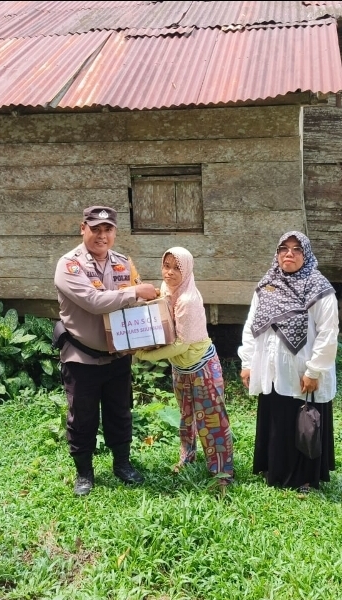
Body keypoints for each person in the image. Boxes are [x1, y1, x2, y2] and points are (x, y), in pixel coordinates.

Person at [54, 206, 158, 496]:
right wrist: (134, 293)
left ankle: (122, 464)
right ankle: (84, 473)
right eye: (95, 229)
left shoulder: (123, 263)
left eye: (108, 229)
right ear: (83, 229)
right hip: (81, 358)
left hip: (118, 356)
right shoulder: (69, 265)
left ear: (114, 232)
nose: (102, 235)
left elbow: (140, 301)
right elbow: (94, 301)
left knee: (120, 413)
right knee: (82, 418)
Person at [238, 231, 338, 492]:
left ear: (306, 254)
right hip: (271, 369)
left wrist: (314, 371)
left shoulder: (319, 288)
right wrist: (247, 362)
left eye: (296, 249)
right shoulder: (267, 285)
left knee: (302, 420)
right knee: (276, 417)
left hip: (302, 370)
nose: (289, 254)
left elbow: (328, 333)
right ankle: (275, 469)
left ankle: (304, 477)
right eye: (284, 248)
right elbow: (251, 325)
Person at [135, 247, 234, 486]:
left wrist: (145, 355)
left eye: (176, 268)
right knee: (186, 417)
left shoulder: (188, 300)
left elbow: (181, 344)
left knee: (211, 419)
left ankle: (222, 472)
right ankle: (187, 457)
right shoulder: (167, 288)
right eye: (166, 266)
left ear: (187, 270)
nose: (169, 272)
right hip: (181, 369)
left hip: (202, 367)